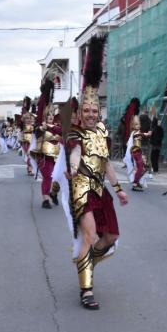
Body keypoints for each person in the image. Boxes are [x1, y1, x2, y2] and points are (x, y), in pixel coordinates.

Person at [64, 36, 128, 310]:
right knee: (89, 235)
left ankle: (86, 262)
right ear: (80, 112)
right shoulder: (75, 132)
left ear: (99, 111)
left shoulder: (102, 131)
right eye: (86, 110)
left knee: (111, 237)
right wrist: (71, 168)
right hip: (81, 190)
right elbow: (75, 154)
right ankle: (86, 289)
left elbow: (106, 164)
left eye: (94, 110)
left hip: (101, 190)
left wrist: (119, 188)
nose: (91, 114)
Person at [31, 81, 62, 209]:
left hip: (57, 156)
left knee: (59, 178)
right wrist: (42, 128)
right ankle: (45, 199)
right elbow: (38, 131)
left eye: (52, 114)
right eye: (48, 114)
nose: (50, 116)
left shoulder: (58, 126)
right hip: (44, 156)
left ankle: (53, 193)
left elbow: (63, 134)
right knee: (48, 176)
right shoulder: (40, 127)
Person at [19, 97, 35, 175]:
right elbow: (22, 116)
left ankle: (29, 168)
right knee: (29, 155)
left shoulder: (33, 125)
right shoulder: (23, 125)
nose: (29, 119)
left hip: (32, 141)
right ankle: (30, 169)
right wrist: (24, 106)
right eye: (27, 118)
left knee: (31, 155)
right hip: (25, 141)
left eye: (30, 118)